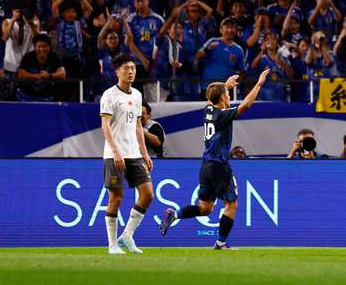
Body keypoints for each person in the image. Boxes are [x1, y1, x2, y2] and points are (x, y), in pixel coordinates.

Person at [158, 69, 270, 248]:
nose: (229, 97)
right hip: (219, 166)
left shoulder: (208, 110)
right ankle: (220, 243)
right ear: (223, 98)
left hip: (206, 167)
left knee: (205, 209)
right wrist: (259, 84)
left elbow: (213, 96)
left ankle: (175, 214)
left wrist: (225, 85)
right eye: (227, 94)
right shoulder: (223, 116)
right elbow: (246, 105)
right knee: (231, 205)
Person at [99, 54, 154, 254]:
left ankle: (127, 236)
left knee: (148, 194)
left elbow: (138, 126)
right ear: (117, 72)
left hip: (134, 154)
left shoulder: (137, 95)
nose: (130, 71)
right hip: (115, 154)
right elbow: (105, 125)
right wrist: (115, 152)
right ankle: (112, 244)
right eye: (126, 68)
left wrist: (145, 153)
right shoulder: (109, 95)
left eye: (133, 68)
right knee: (116, 199)